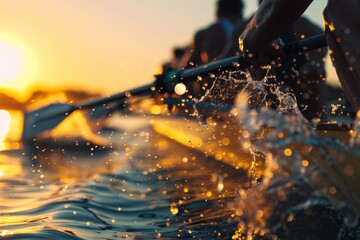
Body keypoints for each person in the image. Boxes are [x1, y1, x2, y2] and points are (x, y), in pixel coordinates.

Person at [238, 0, 360, 114]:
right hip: (288, 99)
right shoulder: (314, 29)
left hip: (303, 101)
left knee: (311, 70)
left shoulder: (241, 29)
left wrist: (251, 38)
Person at [228, 0, 328, 120]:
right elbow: (229, 73)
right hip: (263, 92)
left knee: (313, 70)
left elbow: (318, 68)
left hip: (300, 93)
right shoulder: (241, 29)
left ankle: (318, 120)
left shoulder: (308, 28)